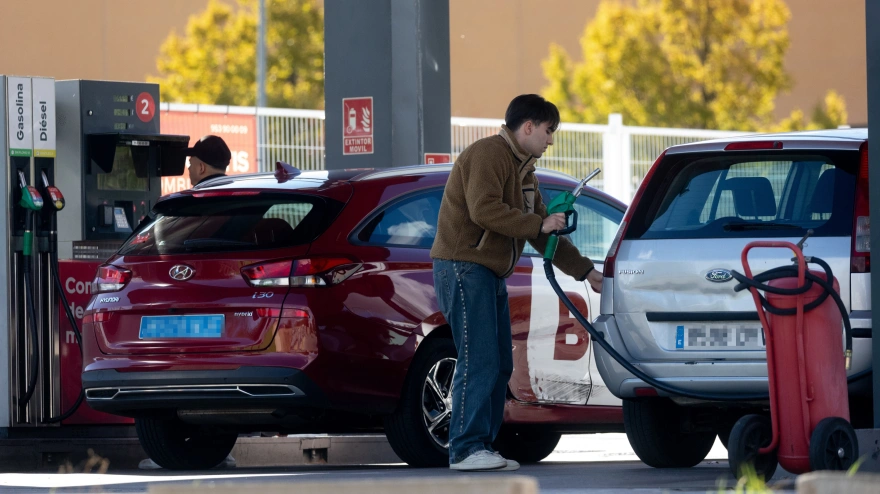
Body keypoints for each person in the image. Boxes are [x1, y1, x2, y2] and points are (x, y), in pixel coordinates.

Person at [430, 94, 602, 472]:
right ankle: (465, 449)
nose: (550, 140)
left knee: (499, 364)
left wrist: (587, 272)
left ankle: (481, 448)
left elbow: (543, 234)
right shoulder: (488, 154)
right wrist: (538, 224)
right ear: (528, 127)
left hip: (486, 272)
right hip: (464, 267)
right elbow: (485, 209)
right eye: (548, 130)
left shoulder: (525, 171)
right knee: (480, 361)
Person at [139, 134, 236, 471]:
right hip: (220, 307)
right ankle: (212, 447)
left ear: (198, 165)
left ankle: (187, 448)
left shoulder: (186, 203)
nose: (189, 168)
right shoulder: (241, 198)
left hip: (174, 304)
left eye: (191, 163)